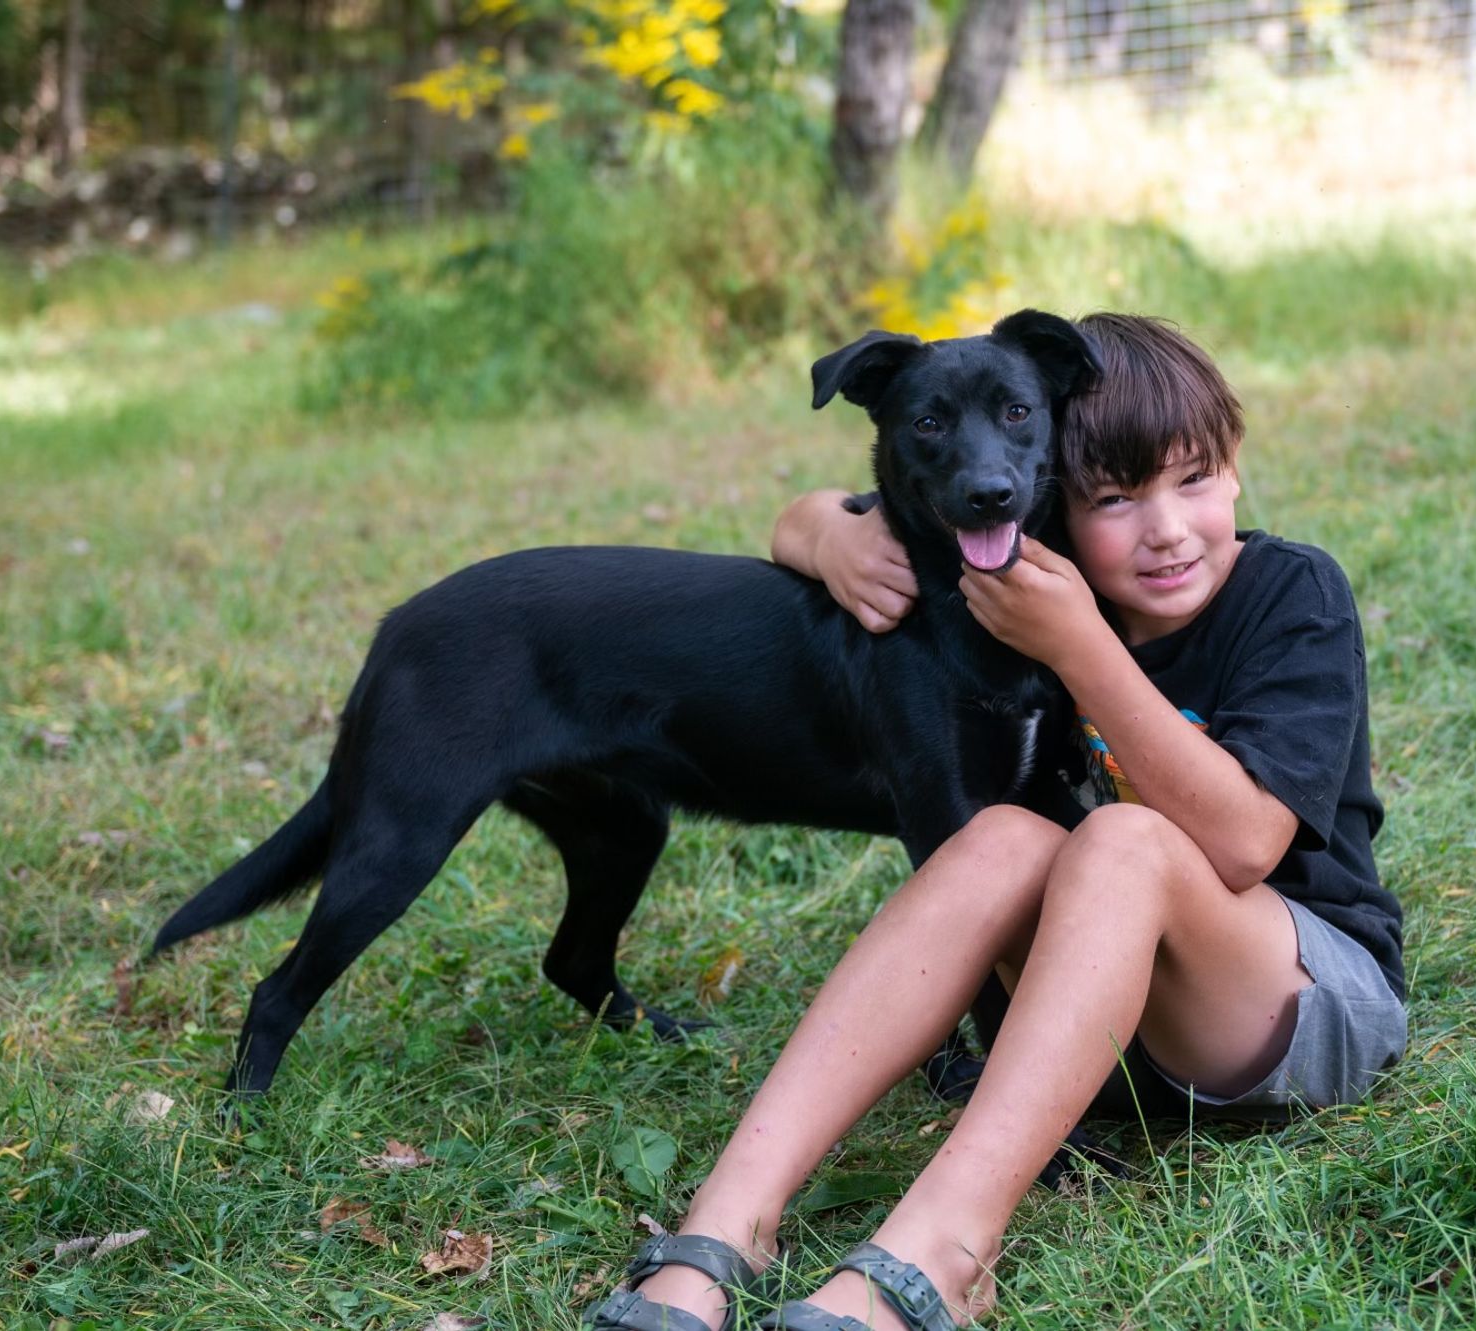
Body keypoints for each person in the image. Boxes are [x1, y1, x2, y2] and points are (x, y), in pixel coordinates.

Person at [585, 314, 1406, 1331]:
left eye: (1194, 480)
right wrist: (821, 529)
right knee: (1001, 837)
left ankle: (945, 1250)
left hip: (1296, 1004)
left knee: (1120, 838)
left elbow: (1242, 845)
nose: (1164, 528)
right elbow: (859, 502)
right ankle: (725, 1223)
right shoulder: (1017, 583)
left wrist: (1080, 652)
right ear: (1048, 495)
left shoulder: (1286, 593)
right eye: (1112, 498)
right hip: (1097, 1043)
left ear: (1235, 468)